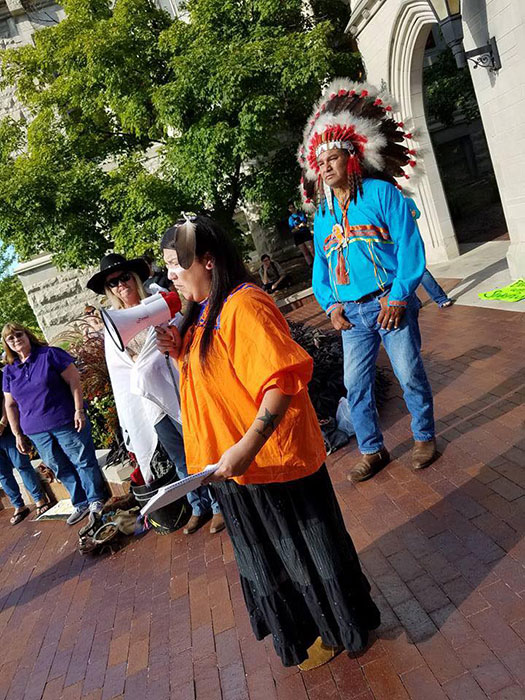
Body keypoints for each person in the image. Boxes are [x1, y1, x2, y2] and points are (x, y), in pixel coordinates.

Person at [155, 214, 380, 670]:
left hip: (271, 463)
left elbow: (280, 380)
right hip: (233, 469)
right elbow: (216, 380)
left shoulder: (245, 305)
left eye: (177, 264)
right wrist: (179, 350)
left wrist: (249, 444)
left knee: (304, 550)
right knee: (273, 556)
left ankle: (333, 629)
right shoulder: (201, 313)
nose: (171, 275)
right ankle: (307, 628)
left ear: (209, 261)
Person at [298, 78, 438, 482]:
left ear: (352, 158)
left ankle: (424, 436)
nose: (324, 169)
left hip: (388, 304)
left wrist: (398, 297)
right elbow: (321, 269)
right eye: (319, 164)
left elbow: (411, 248)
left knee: (409, 373)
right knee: (354, 384)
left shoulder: (381, 194)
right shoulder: (323, 213)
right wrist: (331, 305)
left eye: (332, 160)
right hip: (352, 316)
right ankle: (372, 449)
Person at [87, 253, 223, 535]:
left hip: (177, 387)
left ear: (134, 277)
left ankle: (219, 504)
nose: (120, 285)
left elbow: (185, 332)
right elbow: (123, 372)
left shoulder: (160, 302)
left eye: (124, 277)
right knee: (178, 457)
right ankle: (199, 506)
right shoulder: (114, 324)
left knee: (199, 447)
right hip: (151, 402)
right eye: (113, 283)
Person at [1, 323, 106, 525]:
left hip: (66, 420)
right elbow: (10, 404)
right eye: (10, 338)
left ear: (27, 335)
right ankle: (80, 502)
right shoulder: (9, 371)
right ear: (7, 344)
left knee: (82, 460)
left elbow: (74, 381)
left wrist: (79, 410)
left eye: (18, 335)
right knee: (58, 466)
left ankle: (95, 500)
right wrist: (17, 434)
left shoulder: (50, 354)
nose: (16, 340)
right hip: (36, 430)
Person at [0, 372, 50, 524]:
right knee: (3, 474)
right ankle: (19, 506)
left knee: (22, 465)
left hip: (7, 431)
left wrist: (3, 421)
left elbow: (6, 398)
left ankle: (39, 500)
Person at [405, 198, 454, 308]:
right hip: (392, 245)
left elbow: (417, 214)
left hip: (411, 242)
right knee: (403, 274)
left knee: (421, 270)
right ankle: (416, 302)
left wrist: (412, 213)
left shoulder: (406, 200)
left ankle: (440, 298)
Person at [288, 200, 314, 267]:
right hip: (298, 236)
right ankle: (310, 265)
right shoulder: (290, 219)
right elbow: (292, 230)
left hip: (305, 233)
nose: (292, 209)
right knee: (305, 252)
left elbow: (305, 223)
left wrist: (299, 226)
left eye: (293, 207)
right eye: (290, 208)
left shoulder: (301, 214)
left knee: (311, 250)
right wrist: (299, 226)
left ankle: (318, 263)